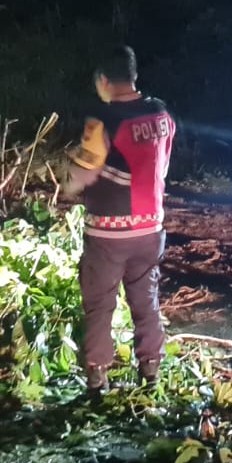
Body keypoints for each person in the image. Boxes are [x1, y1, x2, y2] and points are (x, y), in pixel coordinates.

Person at [60, 45, 176, 391]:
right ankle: (151, 371)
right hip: (151, 228)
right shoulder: (161, 114)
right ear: (134, 75)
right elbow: (162, 167)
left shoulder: (103, 120)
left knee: (99, 304)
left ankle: (97, 376)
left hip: (109, 233)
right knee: (146, 300)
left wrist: (67, 181)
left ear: (103, 80)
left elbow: (83, 173)